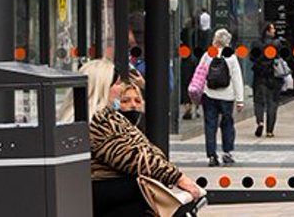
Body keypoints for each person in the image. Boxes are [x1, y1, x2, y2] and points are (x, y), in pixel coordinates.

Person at [84, 60, 204, 217]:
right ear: (102, 86)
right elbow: (131, 157)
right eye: (117, 84)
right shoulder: (98, 120)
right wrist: (177, 177)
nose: (120, 89)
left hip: (115, 191)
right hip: (110, 190)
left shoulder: (108, 116)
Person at [200, 29, 245, 167]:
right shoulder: (231, 57)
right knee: (227, 124)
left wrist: (197, 93)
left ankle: (212, 155)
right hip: (227, 96)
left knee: (210, 125)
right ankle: (227, 153)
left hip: (209, 95)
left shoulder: (208, 55)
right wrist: (240, 99)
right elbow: (237, 78)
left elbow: (200, 74)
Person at [250, 24, 286, 138]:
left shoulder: (256, 44)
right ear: (267, 31)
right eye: (272, 29)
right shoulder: (277, 44)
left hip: (259, 75)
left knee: (259, 101)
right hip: (273, 75)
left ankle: (260, 121)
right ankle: (270, 130)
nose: (274, 31)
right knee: (272, 103)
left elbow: (252, 58)